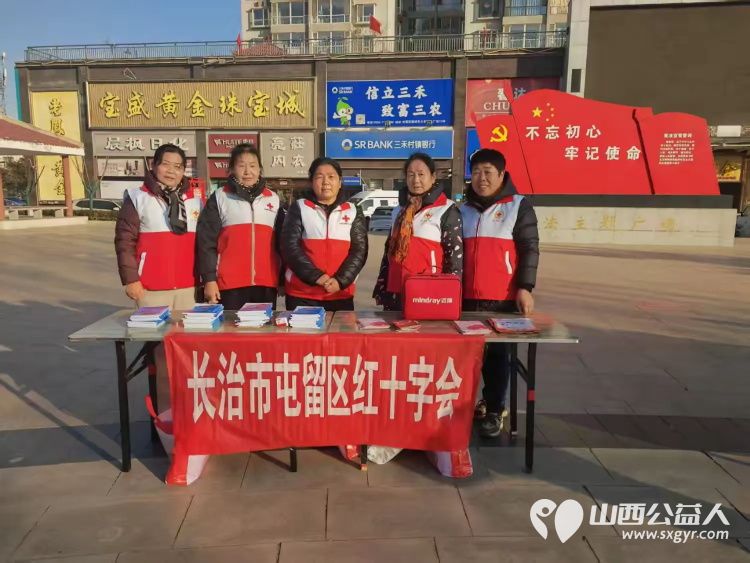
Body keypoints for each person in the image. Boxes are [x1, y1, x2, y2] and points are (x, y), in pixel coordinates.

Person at [461, 148, 539, 438]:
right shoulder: (463, 209)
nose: (481, 178)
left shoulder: (518, 206)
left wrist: (525, 287)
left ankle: (495, 409)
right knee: (467, 355)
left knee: (497, 356)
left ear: (502, 174)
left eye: (488, 172)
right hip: (465, 297)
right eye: (476, 172)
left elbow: (530, 248)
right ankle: (465, 404)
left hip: (502, 297)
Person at [115, 143, 204, 310]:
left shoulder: (196, 201)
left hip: (189, 287)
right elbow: (124, 242)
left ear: (183, 170)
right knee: (154, 328)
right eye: (165, 164)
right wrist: (130, 279)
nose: (171, 171)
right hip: (150, 288)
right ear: (154, 165)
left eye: (177, 167)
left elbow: (205, 243)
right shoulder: (137, 198)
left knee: (186, 327)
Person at [196, 143, 284, 310]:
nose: (247, 171)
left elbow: (281, 244)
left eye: (253, 166)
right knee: (231, 326)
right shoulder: (220, 197)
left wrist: (281, 279)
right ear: (231, 169)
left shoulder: (273, 199)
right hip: (229, 284)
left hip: (266, 283)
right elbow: (206, 242)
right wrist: (209, 280)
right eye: (241, 166)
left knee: (264, 326)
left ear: (260, 169)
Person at [373, 152, 463, 310]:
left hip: (428, 292)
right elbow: (389, 251)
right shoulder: (399, 210)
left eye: (421, 174)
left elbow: (454, 258)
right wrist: (382, 285)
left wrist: (449, 294)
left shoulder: (446, 209)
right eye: (411, 174)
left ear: (433, 177)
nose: (416, 180)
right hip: (396, 289)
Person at [281, 157, 368, 311]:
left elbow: (359, 251)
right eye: (319, 177)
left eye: (331, 176)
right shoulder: (299, 207)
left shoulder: (353, 211)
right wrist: (317, 277)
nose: (325, 181)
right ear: (311, 182)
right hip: (302, 294)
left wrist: (341, 281)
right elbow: (289, 247)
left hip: (340, 294)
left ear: (340, 182)